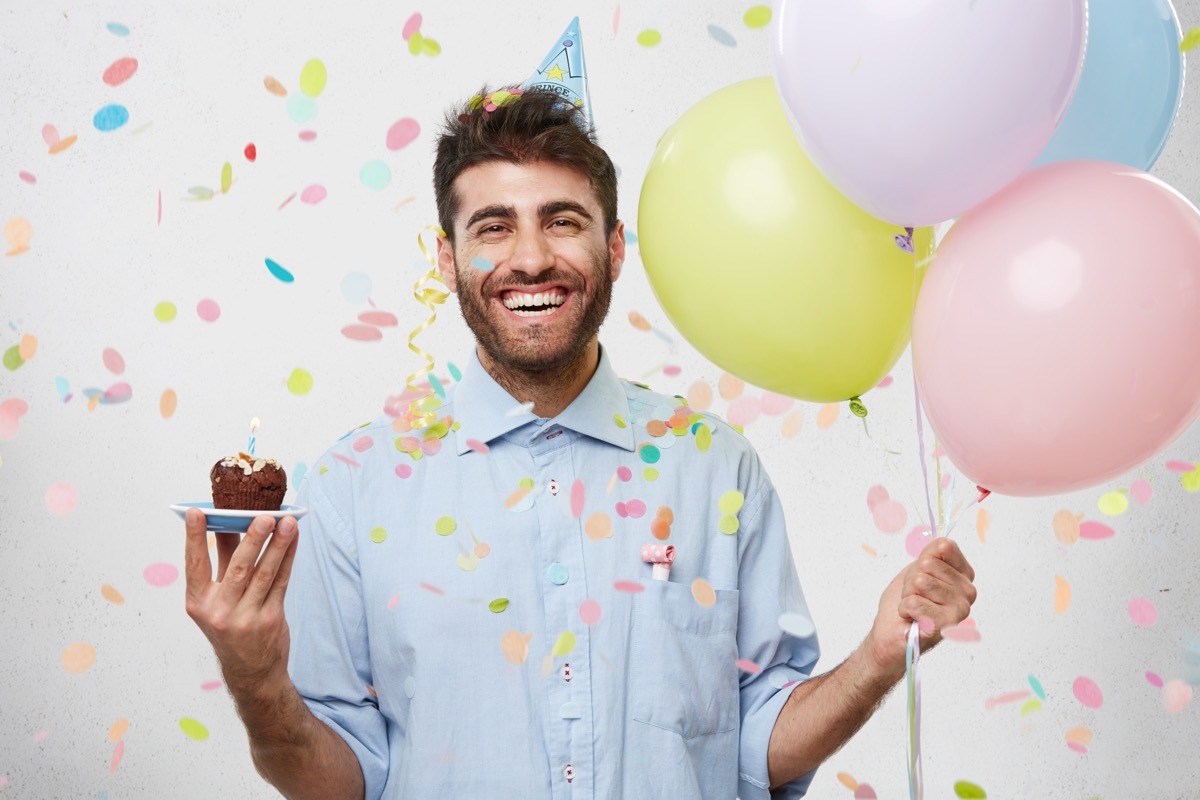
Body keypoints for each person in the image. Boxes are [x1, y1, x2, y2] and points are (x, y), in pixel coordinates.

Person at [184, 86, 977, 799]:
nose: (531, 257)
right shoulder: (353, 483)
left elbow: (756, 745)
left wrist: (878, 656)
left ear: (616, 248)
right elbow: (337, 782)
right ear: (446, 257)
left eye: (563, 221)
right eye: (494, 227)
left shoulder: (714, 468)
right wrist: (257, 682)